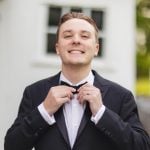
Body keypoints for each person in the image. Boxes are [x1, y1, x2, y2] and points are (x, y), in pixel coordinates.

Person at [4, 12, 150, 150]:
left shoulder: (121, 96)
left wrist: (102, 113)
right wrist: (44, 110)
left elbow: (141, 146)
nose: (76, 40)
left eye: (85, 36)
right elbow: (12, 146)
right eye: (68, 36)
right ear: (57, 48)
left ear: (96, 48)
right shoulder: (34, 93)